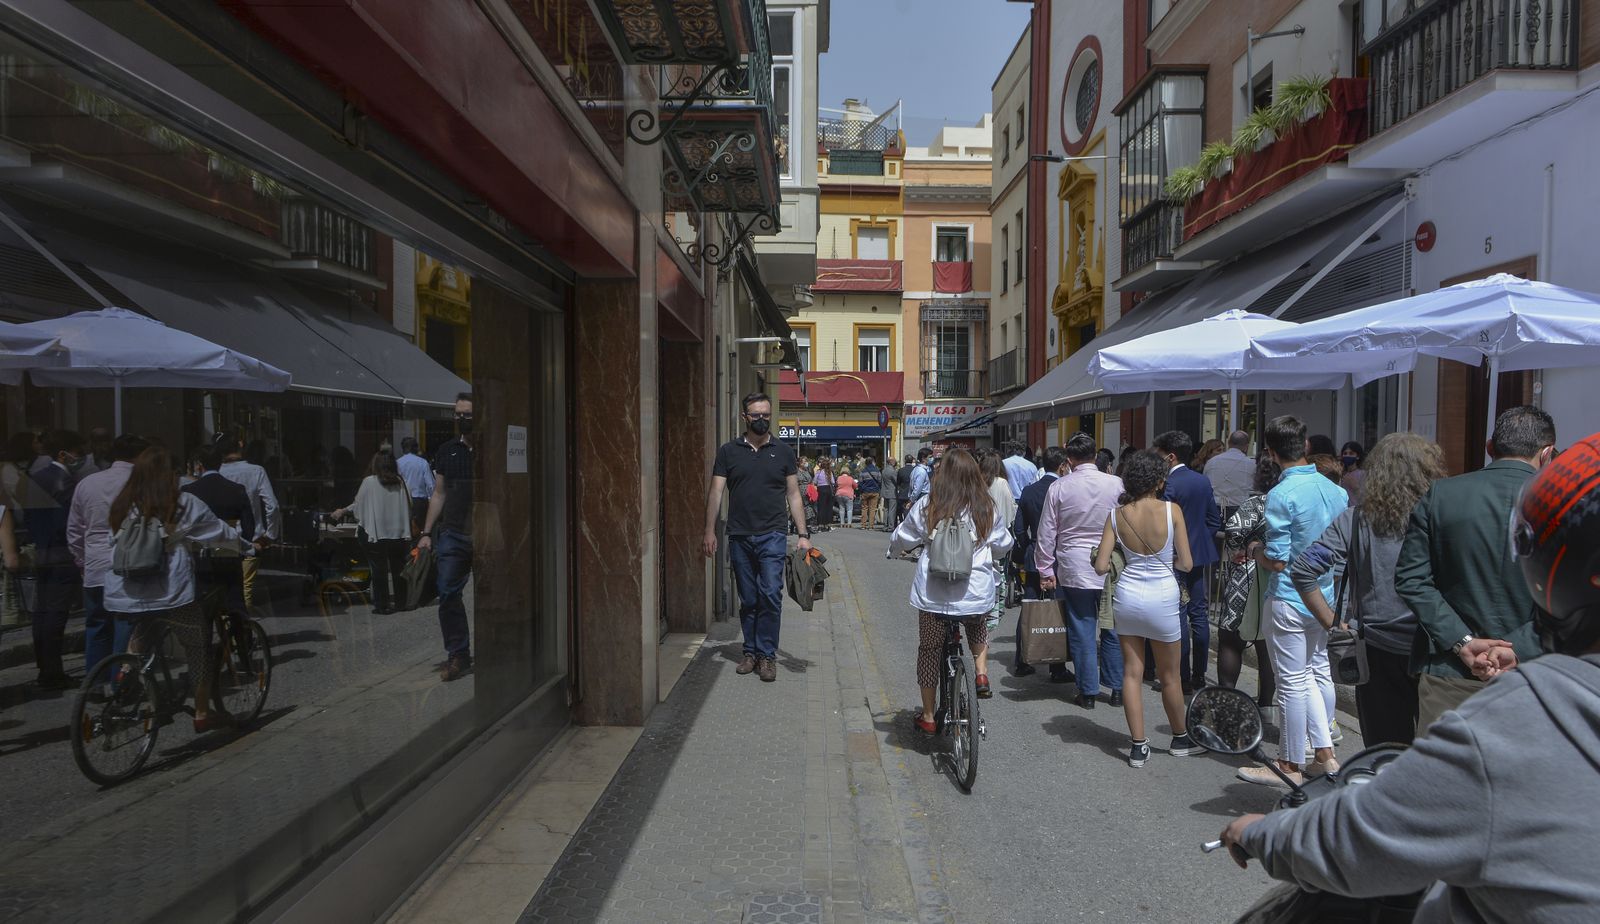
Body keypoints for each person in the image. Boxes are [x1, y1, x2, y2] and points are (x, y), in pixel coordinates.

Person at [1219, 431, 1600, 922]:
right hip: (1438, 650)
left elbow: (1375, 829)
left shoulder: (1368, 516)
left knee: (1389, 760)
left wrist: (1337, 623)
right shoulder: (1441, 510)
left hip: (1400, 654)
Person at [1397, 405, 1555, 731]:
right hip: (1534, 671)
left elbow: (1412, 579)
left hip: (1450, 668)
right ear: (1548, 453)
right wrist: (1518, 648)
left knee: (1445, 775)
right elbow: (1576, 598)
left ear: (1490, 447)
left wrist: (1462, 641)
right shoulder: (1562, 506)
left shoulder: (1442, 494)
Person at [1290, 433, 1445, 746]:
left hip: (1376, 648)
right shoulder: (1443, 518)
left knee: (1384, 752)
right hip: (1435, 647)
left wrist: (1332, 622)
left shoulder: (1356, 520)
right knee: (1436, 754)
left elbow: (1304, 568)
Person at [106, 446, 254, 732]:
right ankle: (201, 713)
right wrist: (249, 547)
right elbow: (221, 533)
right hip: (171, 591)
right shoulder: (184, 503)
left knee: (142, 636)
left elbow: (113, 543)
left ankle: (127, 674)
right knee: (198, 646)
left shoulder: (122, 504)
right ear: (171, 475)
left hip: (127, 589)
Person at [1238, 415, 1348, 788]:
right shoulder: (1336, 490)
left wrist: (1255, 551)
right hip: (1325, 596)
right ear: (1304, 447)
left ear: (1269, 452)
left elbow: (1279, 559)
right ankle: (1324, 756)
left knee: (1293, 682)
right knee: (1315, 673)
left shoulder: (1281, 495)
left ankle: (1289, 763)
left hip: (1288, 595)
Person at [889, 448, 1012, 730]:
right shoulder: (985, 506)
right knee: (977, 622)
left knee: (930, 649)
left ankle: (929, 717)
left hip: (934, 596)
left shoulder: (929, 505)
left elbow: (904, 538)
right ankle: (980, 674)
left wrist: (893, 550)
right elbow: (1004, 544)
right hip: (975, 591)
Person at [1093, 449, 1198, 766]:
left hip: (1127, 596)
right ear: (1159, 480)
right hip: (1163, 596)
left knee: (1131, 674)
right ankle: (1180, 738)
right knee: (1170, 676)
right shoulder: (1172, 511)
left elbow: (1100, 565)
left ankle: (1138, 745)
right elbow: (1188, 564)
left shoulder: (1116, 515)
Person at [704, 393, 810, 682]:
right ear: (745, 418)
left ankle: (766, 656)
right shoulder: (728, 452)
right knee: (748, 598)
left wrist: (803, 535)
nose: (762, 420)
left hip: (773, 535)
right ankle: (749, 652)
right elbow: (715, 492)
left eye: (766, 415)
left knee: (771, 595)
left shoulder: (784, 452)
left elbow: (793, 496)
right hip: (739, 535)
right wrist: (709, 529)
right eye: (756, 415)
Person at [1038, 433, 1125, 708]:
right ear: (1095, 455)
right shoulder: (1116, 484)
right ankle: (1117, 687)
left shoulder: (1060, 487)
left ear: (1069, 459)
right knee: (1112, 627)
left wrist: (1044, 568)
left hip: (1074, 565)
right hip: (1111, 563)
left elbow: (1047, 532)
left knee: (1082, 627)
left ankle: (1087, 691)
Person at [67, 433, 149, 674]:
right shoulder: (141, 481)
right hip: (130, 562)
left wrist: (81, 561)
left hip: (94, 563)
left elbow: (74, 529)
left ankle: (95, 681)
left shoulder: (88, 483)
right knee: (125, 622)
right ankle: (119, 682)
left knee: (96, 624)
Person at [1154, 430, 1222, 691]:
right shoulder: (1201, 481)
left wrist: (1179, 548)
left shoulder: (1169, 485)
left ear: (1170, 457)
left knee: (1178, 615)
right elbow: (1213, 521)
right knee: (1199, 614)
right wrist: (1196, 544)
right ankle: (1199, 674)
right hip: (1199, 557)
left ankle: (1180, 675)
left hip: (1173, 558)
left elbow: (1163, 525)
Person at [418, 393, 480, 682]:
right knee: (447, 593)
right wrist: (426, 533)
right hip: (453, 532)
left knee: (494, 596)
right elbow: (439, 493)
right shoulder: (446, 450)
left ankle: (501, 651)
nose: (461, 420)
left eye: (467, 415)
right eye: (458, 414)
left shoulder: (491, 448)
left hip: (487, 531)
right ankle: (458, 654)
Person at [1217, 453, 1281, 711]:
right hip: (1275, 573)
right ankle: (1266, 706)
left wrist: (1238, 549)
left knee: (1231, 638)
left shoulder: (1254, 504)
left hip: (1247, 574)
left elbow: (1233, 530)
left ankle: (1226, 701)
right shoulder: (1286, 502)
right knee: (1267, 643)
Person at [24, 429, 84, 688]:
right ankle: (52, 671)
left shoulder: (35, 477)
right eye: (78, 452)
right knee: (56, 613)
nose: (80, 458)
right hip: (61, 553)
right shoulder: (65, 482)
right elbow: (68, 524)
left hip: (41, 549)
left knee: (42, 611)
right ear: (64, 453)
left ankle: (45, 666)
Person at [180, 441, 256, 627]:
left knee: (202, 609)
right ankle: (243, 642)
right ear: (220, 463)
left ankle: (204, 651)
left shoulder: (188, 491)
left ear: (199, 464)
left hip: (198, 554)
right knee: (235, 601)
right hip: (228, 550)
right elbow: (249, 526)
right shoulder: (236, 489)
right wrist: (243, 546)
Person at [331, 450, 413, 615]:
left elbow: (358, 505)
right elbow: (409, 504)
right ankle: (401, 602)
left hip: (376, 533)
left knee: (378, 569)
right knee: (398, 568)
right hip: (398, 533)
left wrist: (343, 511)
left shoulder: (369, 481)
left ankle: (382, 605)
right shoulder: (400, 482)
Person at [1013, 446, 1067, 678]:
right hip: (1059, 555)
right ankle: (1057, 665)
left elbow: (1018, 528)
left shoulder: (1029, 491)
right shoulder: (1065, 490)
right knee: (1059, 609)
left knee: (1030, 606)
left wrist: (1029, 547)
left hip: (1035, 552)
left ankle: (1023, 659)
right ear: (1063, 464)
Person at [219, 435, 280, 611]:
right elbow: (273, 506)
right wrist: (270, 535)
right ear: (240, 446)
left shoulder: (216, 472)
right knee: (245, 588)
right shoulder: (256, 471)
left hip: (222, 538)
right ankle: (242, 632)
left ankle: (227, 631)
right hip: (252, 537)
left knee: (223, 588)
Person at [978, 449, 1015, 633]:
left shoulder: (976, 484)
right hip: (999, 538)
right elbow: (1009, 513)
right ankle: (993, 614)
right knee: (999, 576)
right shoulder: (1002, 483)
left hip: (980, 538)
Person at [1206, 430, 1256, 516]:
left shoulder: (1212, 462)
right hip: (1240, 510)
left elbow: (1205, 484)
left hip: (1215, 508)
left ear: (1228, 443)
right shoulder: (1251, 464)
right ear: (1246, 446)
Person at [397, 436, 436, 535]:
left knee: (403, 530)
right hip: (420, 501)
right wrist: (431, 499)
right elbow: (431, 485)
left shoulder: (397, 463)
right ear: (416, 448)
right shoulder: (422, 463)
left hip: (403, 500)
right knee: (419, 531)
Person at [1337, 440, 1366, 505]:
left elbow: (1366, 497)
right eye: (1345, 453)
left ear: (1358, 456)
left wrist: (1355, 486)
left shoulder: (1363, 474)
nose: (1347, 456)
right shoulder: (1341, 474)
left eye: (1351, 453)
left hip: (1357, 510)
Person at [858, 457, 882, 530]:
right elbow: (880, 481)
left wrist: (862, 490)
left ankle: (863, 525)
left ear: (865, 463)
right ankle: (871, 526)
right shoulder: (877, 471)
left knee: (864, 508)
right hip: (875, 492)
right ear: (872, 462)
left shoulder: (863, 471)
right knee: (872, 509)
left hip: (865, 492)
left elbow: (860, 483)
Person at [812, 457, 835, 530]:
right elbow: (833, 482)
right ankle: (828, 524)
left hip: (821, 489)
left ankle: (820, 524)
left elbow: (814, 482)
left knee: (821, 507)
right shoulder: (829, 472)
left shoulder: (818, 472)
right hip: (828, 489)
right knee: (828, 507)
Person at [878, 456, 897, 530]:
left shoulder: (884, 470)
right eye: (894, 461)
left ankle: (885, 525)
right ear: (891, 461)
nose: (895, 462)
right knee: (892, 510)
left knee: (886, 509)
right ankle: (891, 526)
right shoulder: (892, 471)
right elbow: (896, 481)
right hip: (892, 492)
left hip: (885, 492)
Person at [895, 454, 915, 523]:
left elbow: (898, 482)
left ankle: (902, 522)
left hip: (902, 493)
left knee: (901, 510)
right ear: (912, 461)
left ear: (905, 460)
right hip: (912, 493)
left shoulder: (901, 470)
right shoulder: (915, 470)